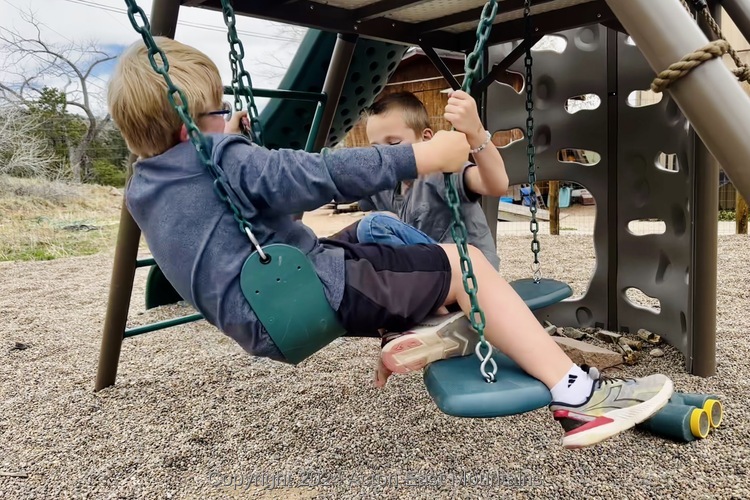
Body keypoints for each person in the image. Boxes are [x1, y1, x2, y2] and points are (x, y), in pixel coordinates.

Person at [108, 37, 673, 449]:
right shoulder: (221, 160)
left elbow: (238, 196)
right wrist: (419, 157)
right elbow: (316, 175)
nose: (231, 117)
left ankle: (419, 328)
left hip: (272, 305)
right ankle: (576, 395)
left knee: (370, 233)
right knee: (465, 263)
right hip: (306, 294)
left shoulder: (145, 186)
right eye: (219, 110)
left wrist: (219, 138)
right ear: (189, 128)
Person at [354, 91, 505, 271]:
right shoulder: (383, 185)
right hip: (432, 268)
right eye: (376, 149)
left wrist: (476, 132)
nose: (386, 155)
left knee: (372, 225)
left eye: (394, 143)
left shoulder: (440, 172)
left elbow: (496, 184)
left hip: (472, 271)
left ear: (426, 138)